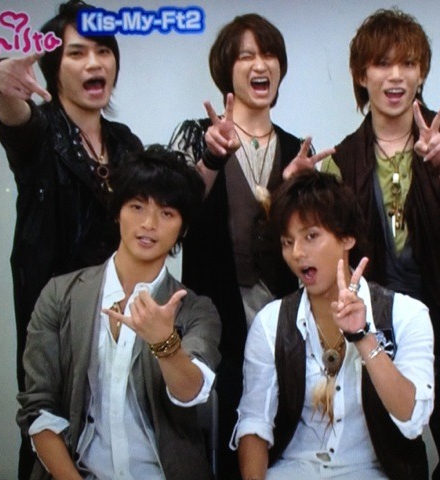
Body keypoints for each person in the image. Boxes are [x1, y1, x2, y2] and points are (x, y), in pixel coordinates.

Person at [318, 8, 440, 477]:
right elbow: (330, 256)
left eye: (408, 63)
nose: (396, 76)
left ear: (422, 73)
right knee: (392, 454)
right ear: (362, 75)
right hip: (382, 328)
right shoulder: (342, 160)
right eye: (382, 63)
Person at [169, 13, 332, 478]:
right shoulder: (195, 135)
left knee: (280, 418)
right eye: (246, 56)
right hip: (213, 303)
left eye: (269, 54)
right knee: (220, 417)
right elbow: (173, 215)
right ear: (227, 69)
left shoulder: (295, 147)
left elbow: (309, 237)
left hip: (280, 304)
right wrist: (210, 158)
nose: (260, 64)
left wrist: (295, 190)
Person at [0, 1, 142, 476]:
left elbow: (161, 207)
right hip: (53, 314)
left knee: (114, 428)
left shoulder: (125, 142)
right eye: (77, 53)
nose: (94, 62)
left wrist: (212, 158)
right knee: (48, 429)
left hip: (117, 311)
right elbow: (14, 116)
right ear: (54, 68)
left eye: (103, 50)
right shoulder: (41, 132)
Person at [17, 145, 221, 480]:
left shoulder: (196, 309)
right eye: (137, 207)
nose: (149, 224)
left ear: (183, 228)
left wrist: (165, 343)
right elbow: (39, 408)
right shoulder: (61, 295)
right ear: (117, 212)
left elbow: (191, 393)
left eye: (167, 213)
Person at [232, 169, 434, 479]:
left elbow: (412, 419)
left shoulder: (407, 314)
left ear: (347, 237)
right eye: (287, 241)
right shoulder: (270, 323)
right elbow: (254, 422)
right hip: (293, 470)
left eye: (311, 236)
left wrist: (364, 337)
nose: (297, 253)